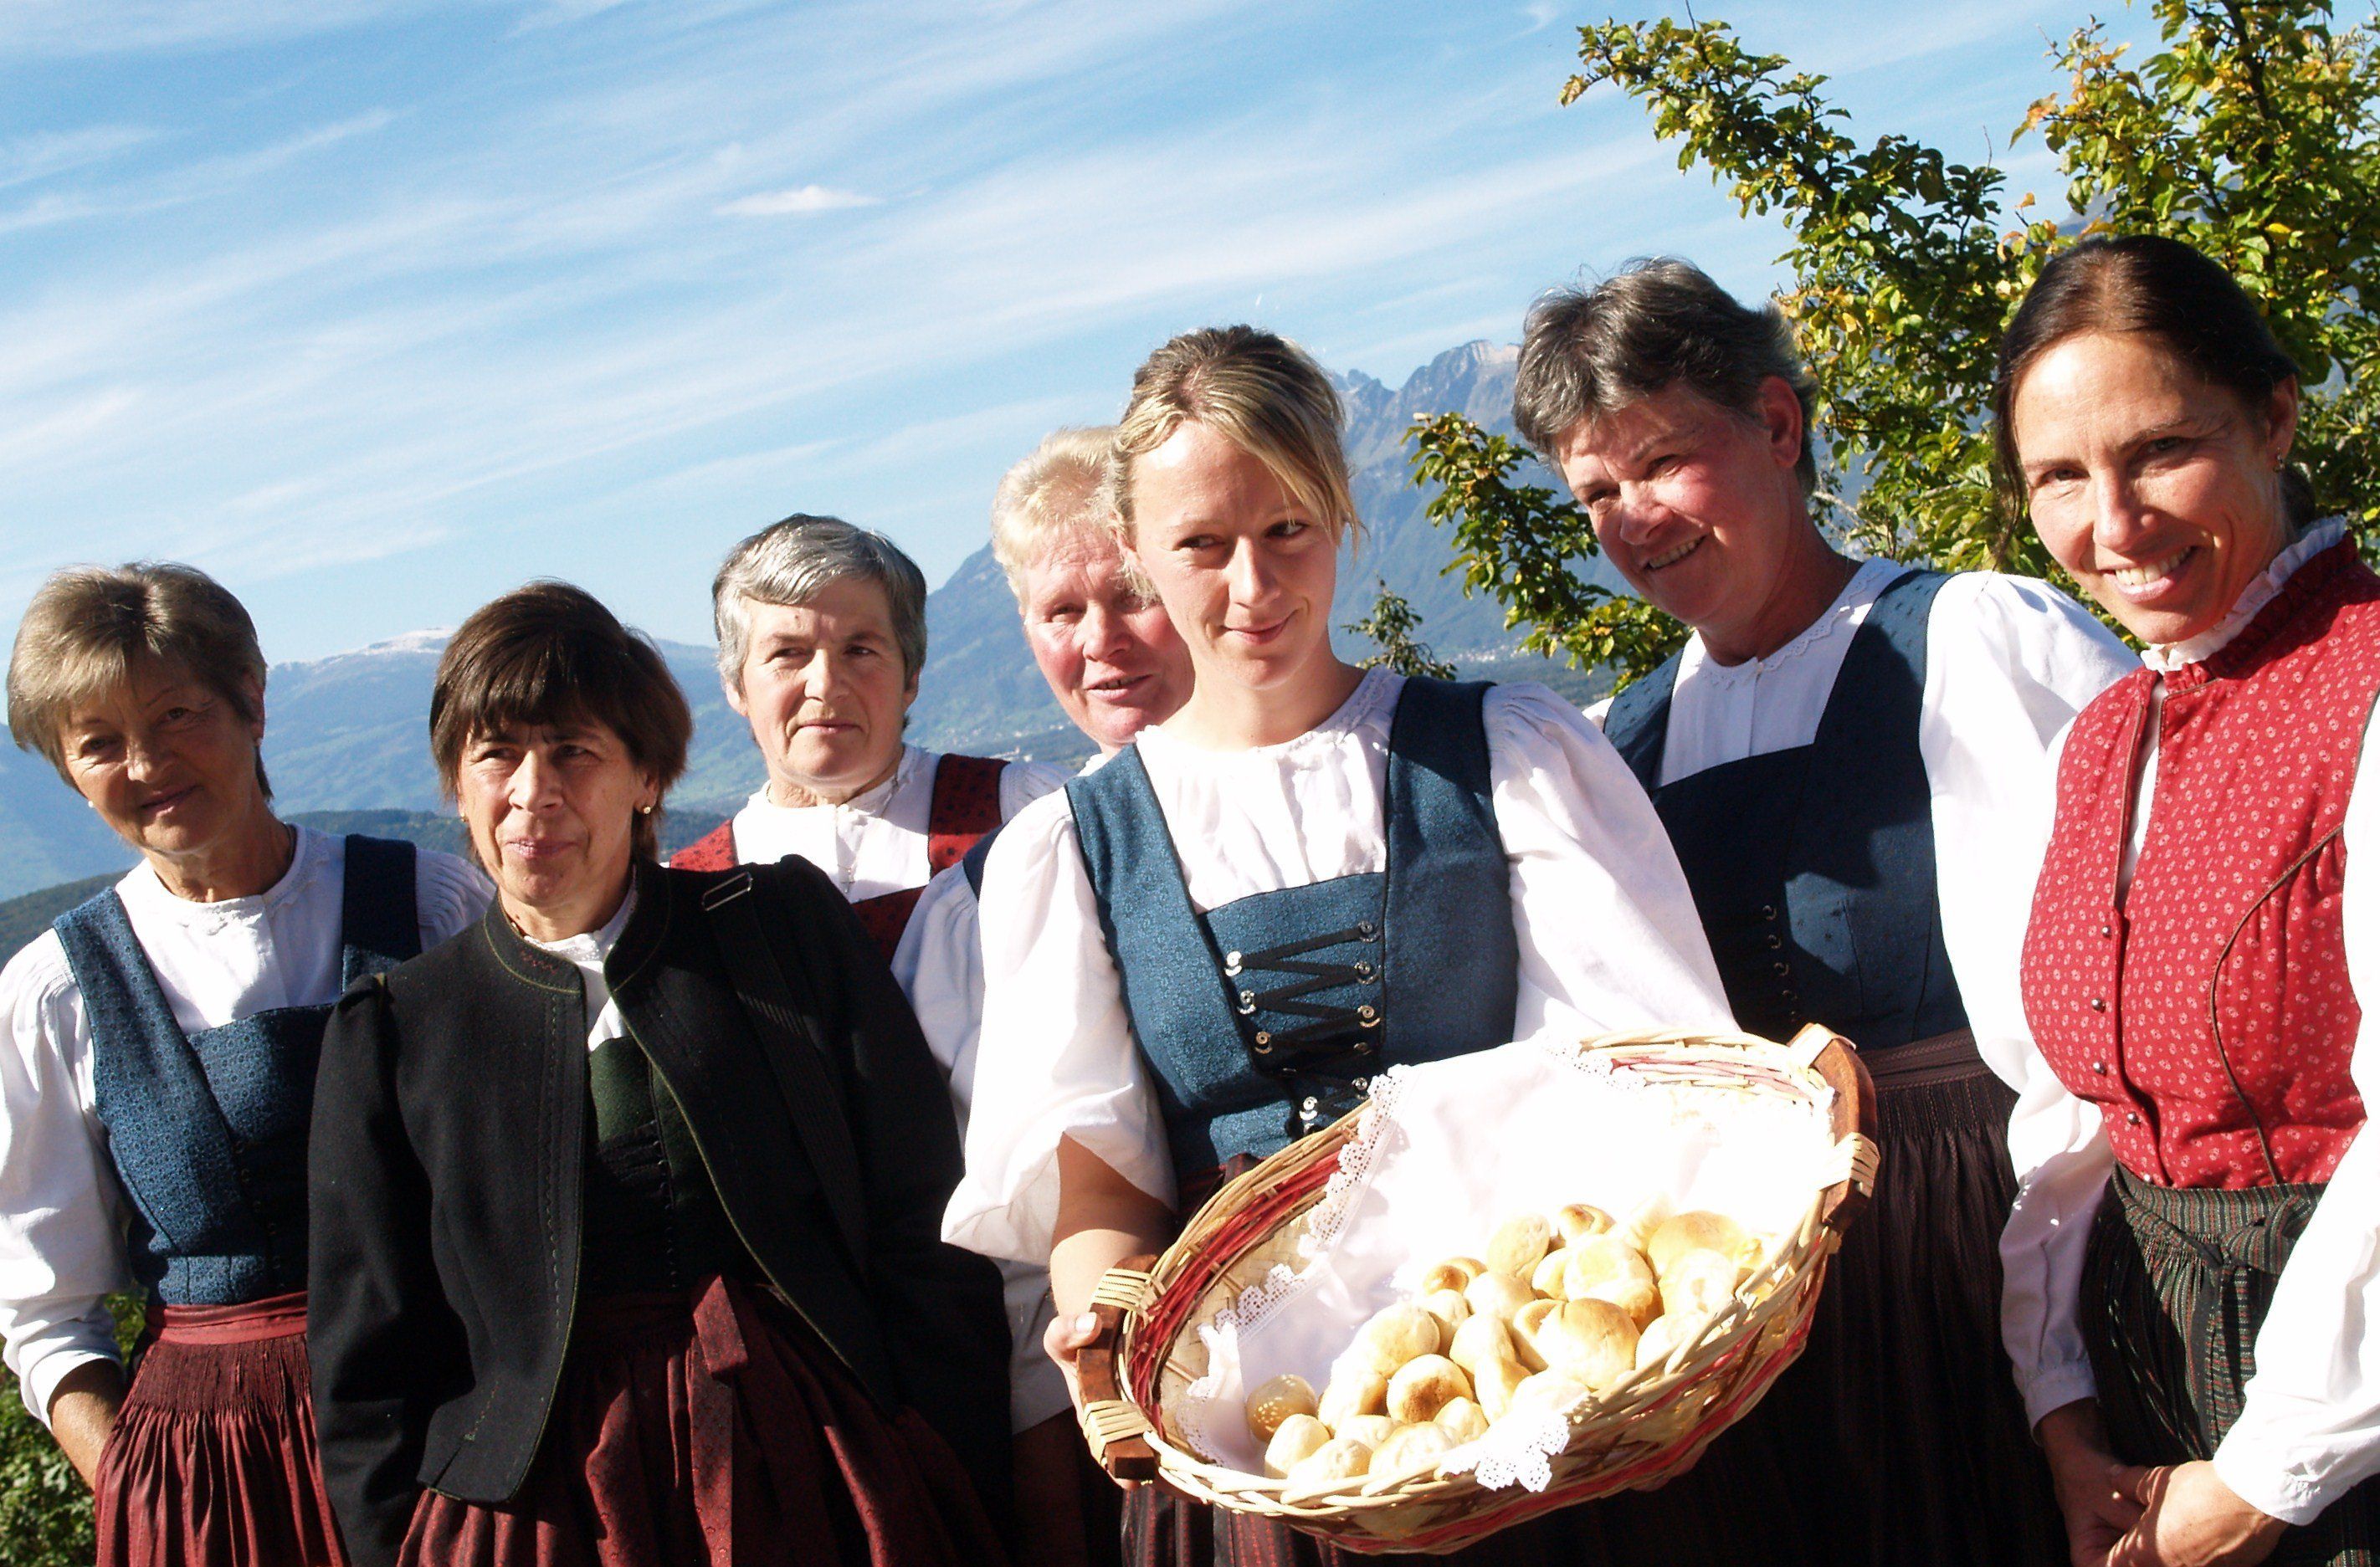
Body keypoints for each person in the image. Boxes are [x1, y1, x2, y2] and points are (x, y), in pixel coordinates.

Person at [943, 325, 1734, 1565]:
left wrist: (1635, 1354)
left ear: (1342, 515)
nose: (1253, 584)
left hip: (1520, 1379)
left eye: (1287, 530)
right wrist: (1104, 1315)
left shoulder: (1507, 754)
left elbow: (1644, 1086)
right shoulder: (1076, 848)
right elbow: (1106, 1199)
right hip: (1264, 1435)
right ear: (1139, 548)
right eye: (1202, 544)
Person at [1516, 259, 2134, 1564]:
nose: (1635, 519)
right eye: (1597, 493)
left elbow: (2111, 1013)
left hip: (1986, 1246)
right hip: (1749, 1294)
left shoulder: (1966, 642)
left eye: (1664, 460)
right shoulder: (1625, 740)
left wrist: (2065, 1356)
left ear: (1779, 423)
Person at [305, 581, 1012, 1567]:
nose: (534, 791)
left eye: (574, 750)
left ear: (646, 776)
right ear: (458, 784)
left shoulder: (775, 931)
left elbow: (919, 1217)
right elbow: (368, 1367)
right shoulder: (396, 1031)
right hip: (541, 1517)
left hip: (810, 1469)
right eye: (496, 752)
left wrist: (943, 1461)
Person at [1999, 234, 2380, 1567]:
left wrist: (2264, 1479)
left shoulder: (2370, 688)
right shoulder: (2102, 737)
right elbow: (2076, 1114)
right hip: (2147, 1406)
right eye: (2060, 477)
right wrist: (2061, 1403)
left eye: (2161, 450)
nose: (2113, 526)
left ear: (2274, 417)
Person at [0, 562, 488, 1566]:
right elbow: (48, 1314)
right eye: (98, 743)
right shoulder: (57, 991)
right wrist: (144, 1492)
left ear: (253, 703)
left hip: (458, 1422)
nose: (147, 763)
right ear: (68, 772)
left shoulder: (436, 907)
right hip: (213, 1480)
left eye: (176, 714)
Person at [895, 426, 1194, 1567]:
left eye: (1132, 595)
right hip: (1117, 1414)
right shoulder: (974, 909)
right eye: (1062, 611)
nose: (1100, 642)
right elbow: (1012, 1263)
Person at [671, 515, 1069, 957]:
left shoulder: (1024, 813)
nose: (825, 685)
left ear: (910, 676)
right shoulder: (690, 893)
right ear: (736, 686)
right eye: (788, 653)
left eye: (859, 650)